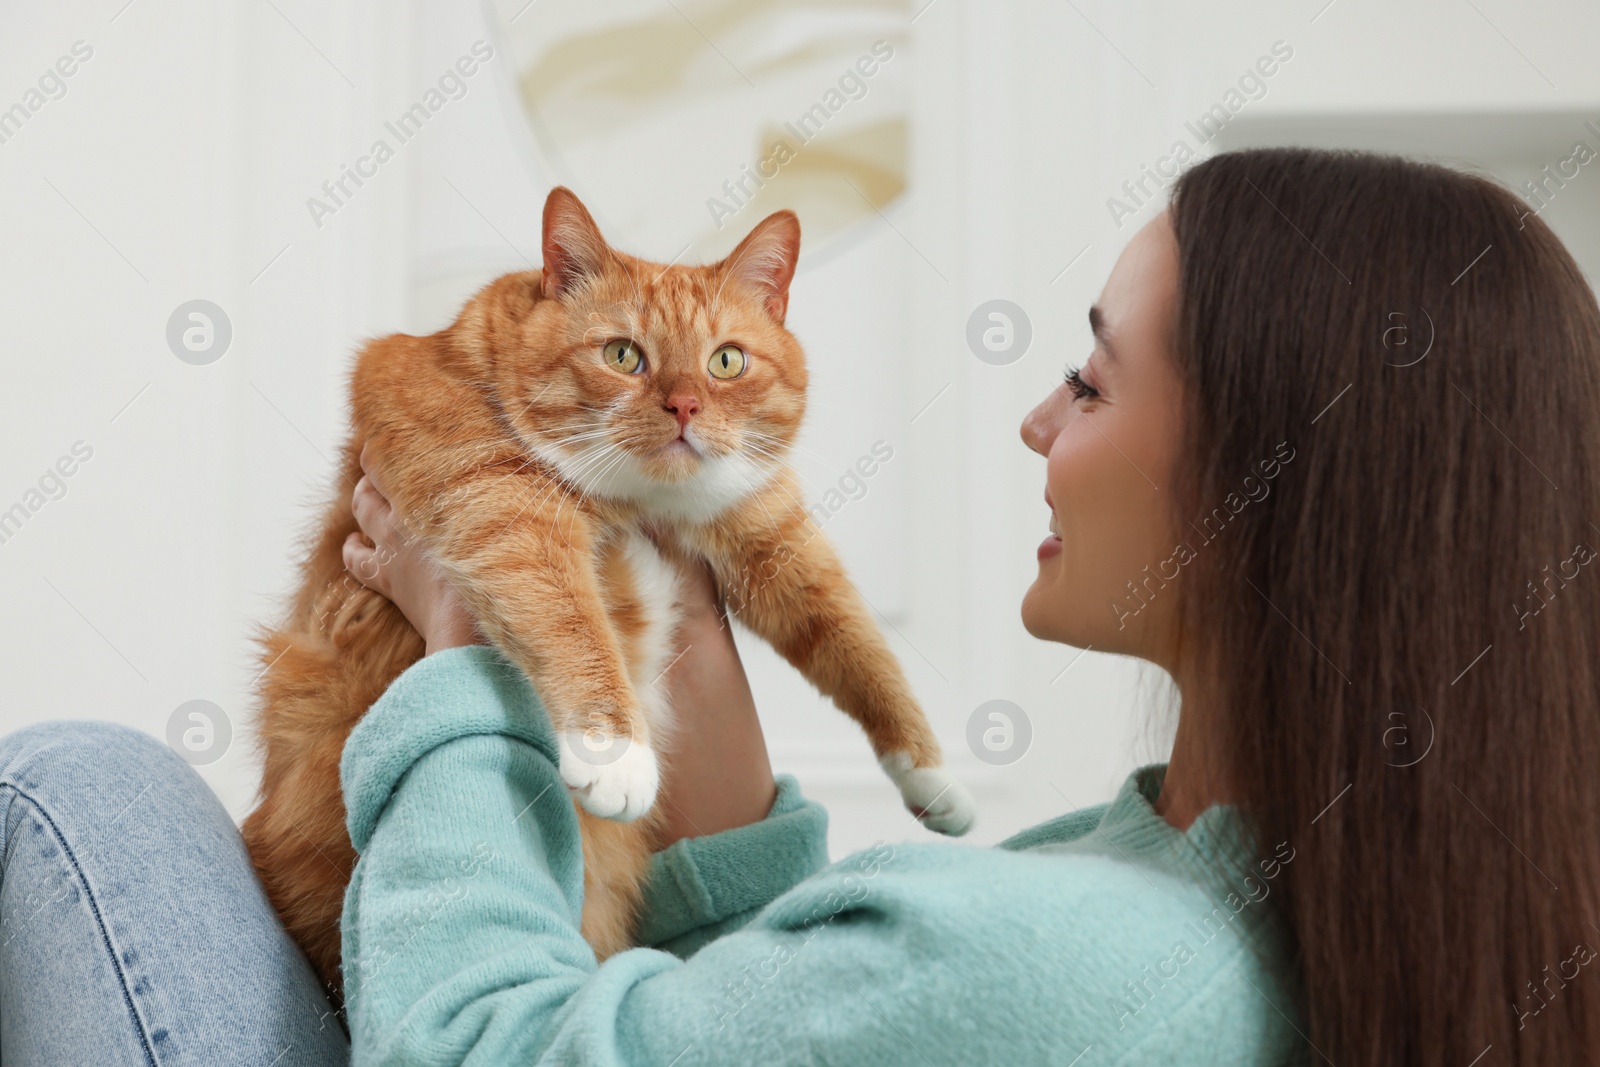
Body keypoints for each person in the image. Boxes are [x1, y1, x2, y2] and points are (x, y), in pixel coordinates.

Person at [4, 146, 1598, 1066]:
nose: (1039, 424)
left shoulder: (1090, 971)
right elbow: (786, 1032)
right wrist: (733, 815)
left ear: (1268, 478)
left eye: (1091, 377)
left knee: (75, 787)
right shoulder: (1217, 887)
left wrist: (467, 663)